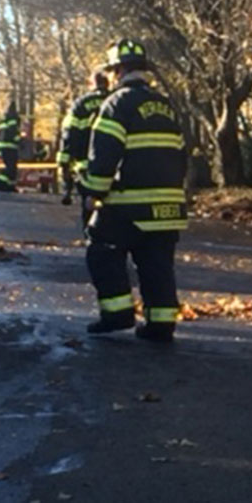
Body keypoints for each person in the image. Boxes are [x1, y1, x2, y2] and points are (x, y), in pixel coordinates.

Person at [77, 38, 187, 343]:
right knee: (157, 264)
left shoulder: (117, 104)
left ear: (118, 71)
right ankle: (161, 324)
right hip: (168, 206)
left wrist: (92, 192)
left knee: (101, 250)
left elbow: (104, 155)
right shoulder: (166, 106)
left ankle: (117, 314)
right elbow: (181, 154)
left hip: (130, 203)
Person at [58, 69, 110, 225]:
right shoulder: (116, 100)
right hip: (115, 170)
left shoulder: (81, 104)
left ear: (92, 83)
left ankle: (91, 234)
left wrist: (64, 163)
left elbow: (69, 134)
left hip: (86, 168)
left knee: (89, 211)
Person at [0, 100, 20, 192]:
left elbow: (0, 134)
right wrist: (19, 141)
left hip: (3, 148)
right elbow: (13, 132)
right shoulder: (12, 119)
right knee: (11, 168)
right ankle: (4, 185)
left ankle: (6, 185)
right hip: (11, 147)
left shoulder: (3, 120)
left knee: (9, 167)